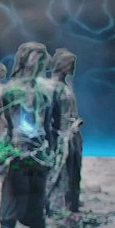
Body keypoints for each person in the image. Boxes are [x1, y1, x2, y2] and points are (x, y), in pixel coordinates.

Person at [0, 42, 63, 228]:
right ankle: (7, 225)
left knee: (38, 186)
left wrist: (52, 147)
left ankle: (37, 224)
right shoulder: (10, 90)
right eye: (36, 58)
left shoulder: (48, 92)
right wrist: (3, 148)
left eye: (42, 59)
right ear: (24, 60)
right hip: (17, 147)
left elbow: (51, 122)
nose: (39, 63)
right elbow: (6, 121)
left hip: (40, 147)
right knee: (13, 185)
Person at [45, 48, 82, 216]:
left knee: (73, 173)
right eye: (71, 64)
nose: (73, 67)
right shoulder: (52, 87)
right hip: (60, 138)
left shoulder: (66, 85)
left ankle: (71, 206)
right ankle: (56, 208)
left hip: (73, 136)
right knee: (60, 173)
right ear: (63, 65)